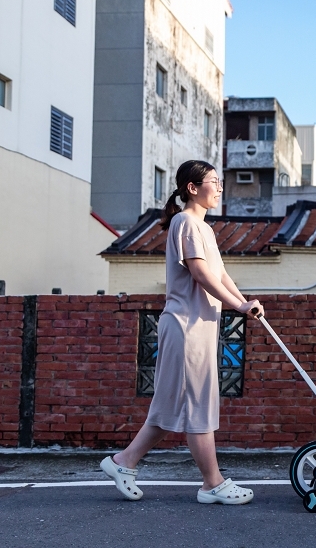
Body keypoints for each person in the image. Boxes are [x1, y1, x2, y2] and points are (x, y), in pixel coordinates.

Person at [101, 160, 263, 505]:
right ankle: (212, 484)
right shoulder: (186, 222)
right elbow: (201, 275)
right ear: (193, 187)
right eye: (213, 182)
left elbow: (219, 275)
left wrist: (244, 302)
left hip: (197, 326)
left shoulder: (204, 229)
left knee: (172, 406)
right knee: (198, 404)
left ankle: (123, 462)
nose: (219, 188)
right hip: (186, 327)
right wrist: (238, 307)